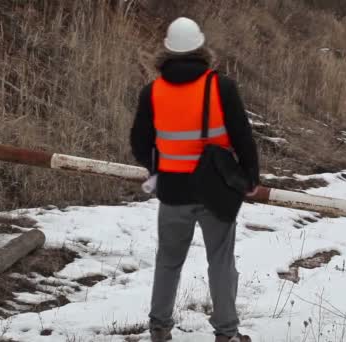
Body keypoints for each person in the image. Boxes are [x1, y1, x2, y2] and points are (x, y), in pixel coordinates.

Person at [130, 17, 259, 342]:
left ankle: (159, 328)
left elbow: (138, 143)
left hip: (173, 191)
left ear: (168, 51)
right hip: (216, 189)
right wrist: (250, 179)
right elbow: (243, 138)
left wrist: (157, 167)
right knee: (220, 262)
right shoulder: (222, 87)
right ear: (202, 48)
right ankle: (226, 334)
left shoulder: (153, 92)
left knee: (168, 262)